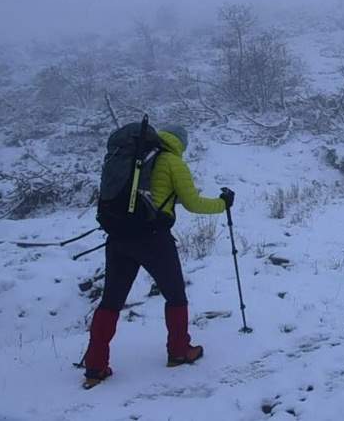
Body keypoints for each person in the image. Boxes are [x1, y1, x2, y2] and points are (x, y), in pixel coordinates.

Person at [81, 124, 234, 389]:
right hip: (153, 240)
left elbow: (152, 196)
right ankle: (179, 351)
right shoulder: (172, 161)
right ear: (181, 144)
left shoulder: (135, 159)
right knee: (175, 296)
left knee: (110, 302)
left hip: (118, 238)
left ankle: (95, 366)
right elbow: (194, 203)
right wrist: (223, 203)